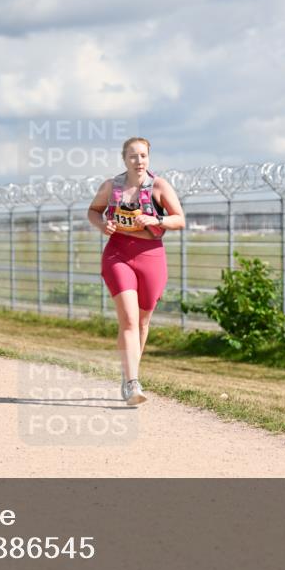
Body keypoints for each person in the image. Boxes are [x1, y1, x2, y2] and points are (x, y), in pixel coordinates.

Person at [87, 137, 185, 406]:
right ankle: (133, 384)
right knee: (129, 320)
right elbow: (93, 211)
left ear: (148, 158)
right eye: (133, 156)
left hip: (151, 256)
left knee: (142, 321)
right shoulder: (111, 186)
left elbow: (180, 219)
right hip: (118, 254)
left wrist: (157, 219)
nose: (138, 161)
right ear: (124, 159)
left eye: (143, 156)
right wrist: (102, 225)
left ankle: (129, 373)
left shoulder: (160, 186)